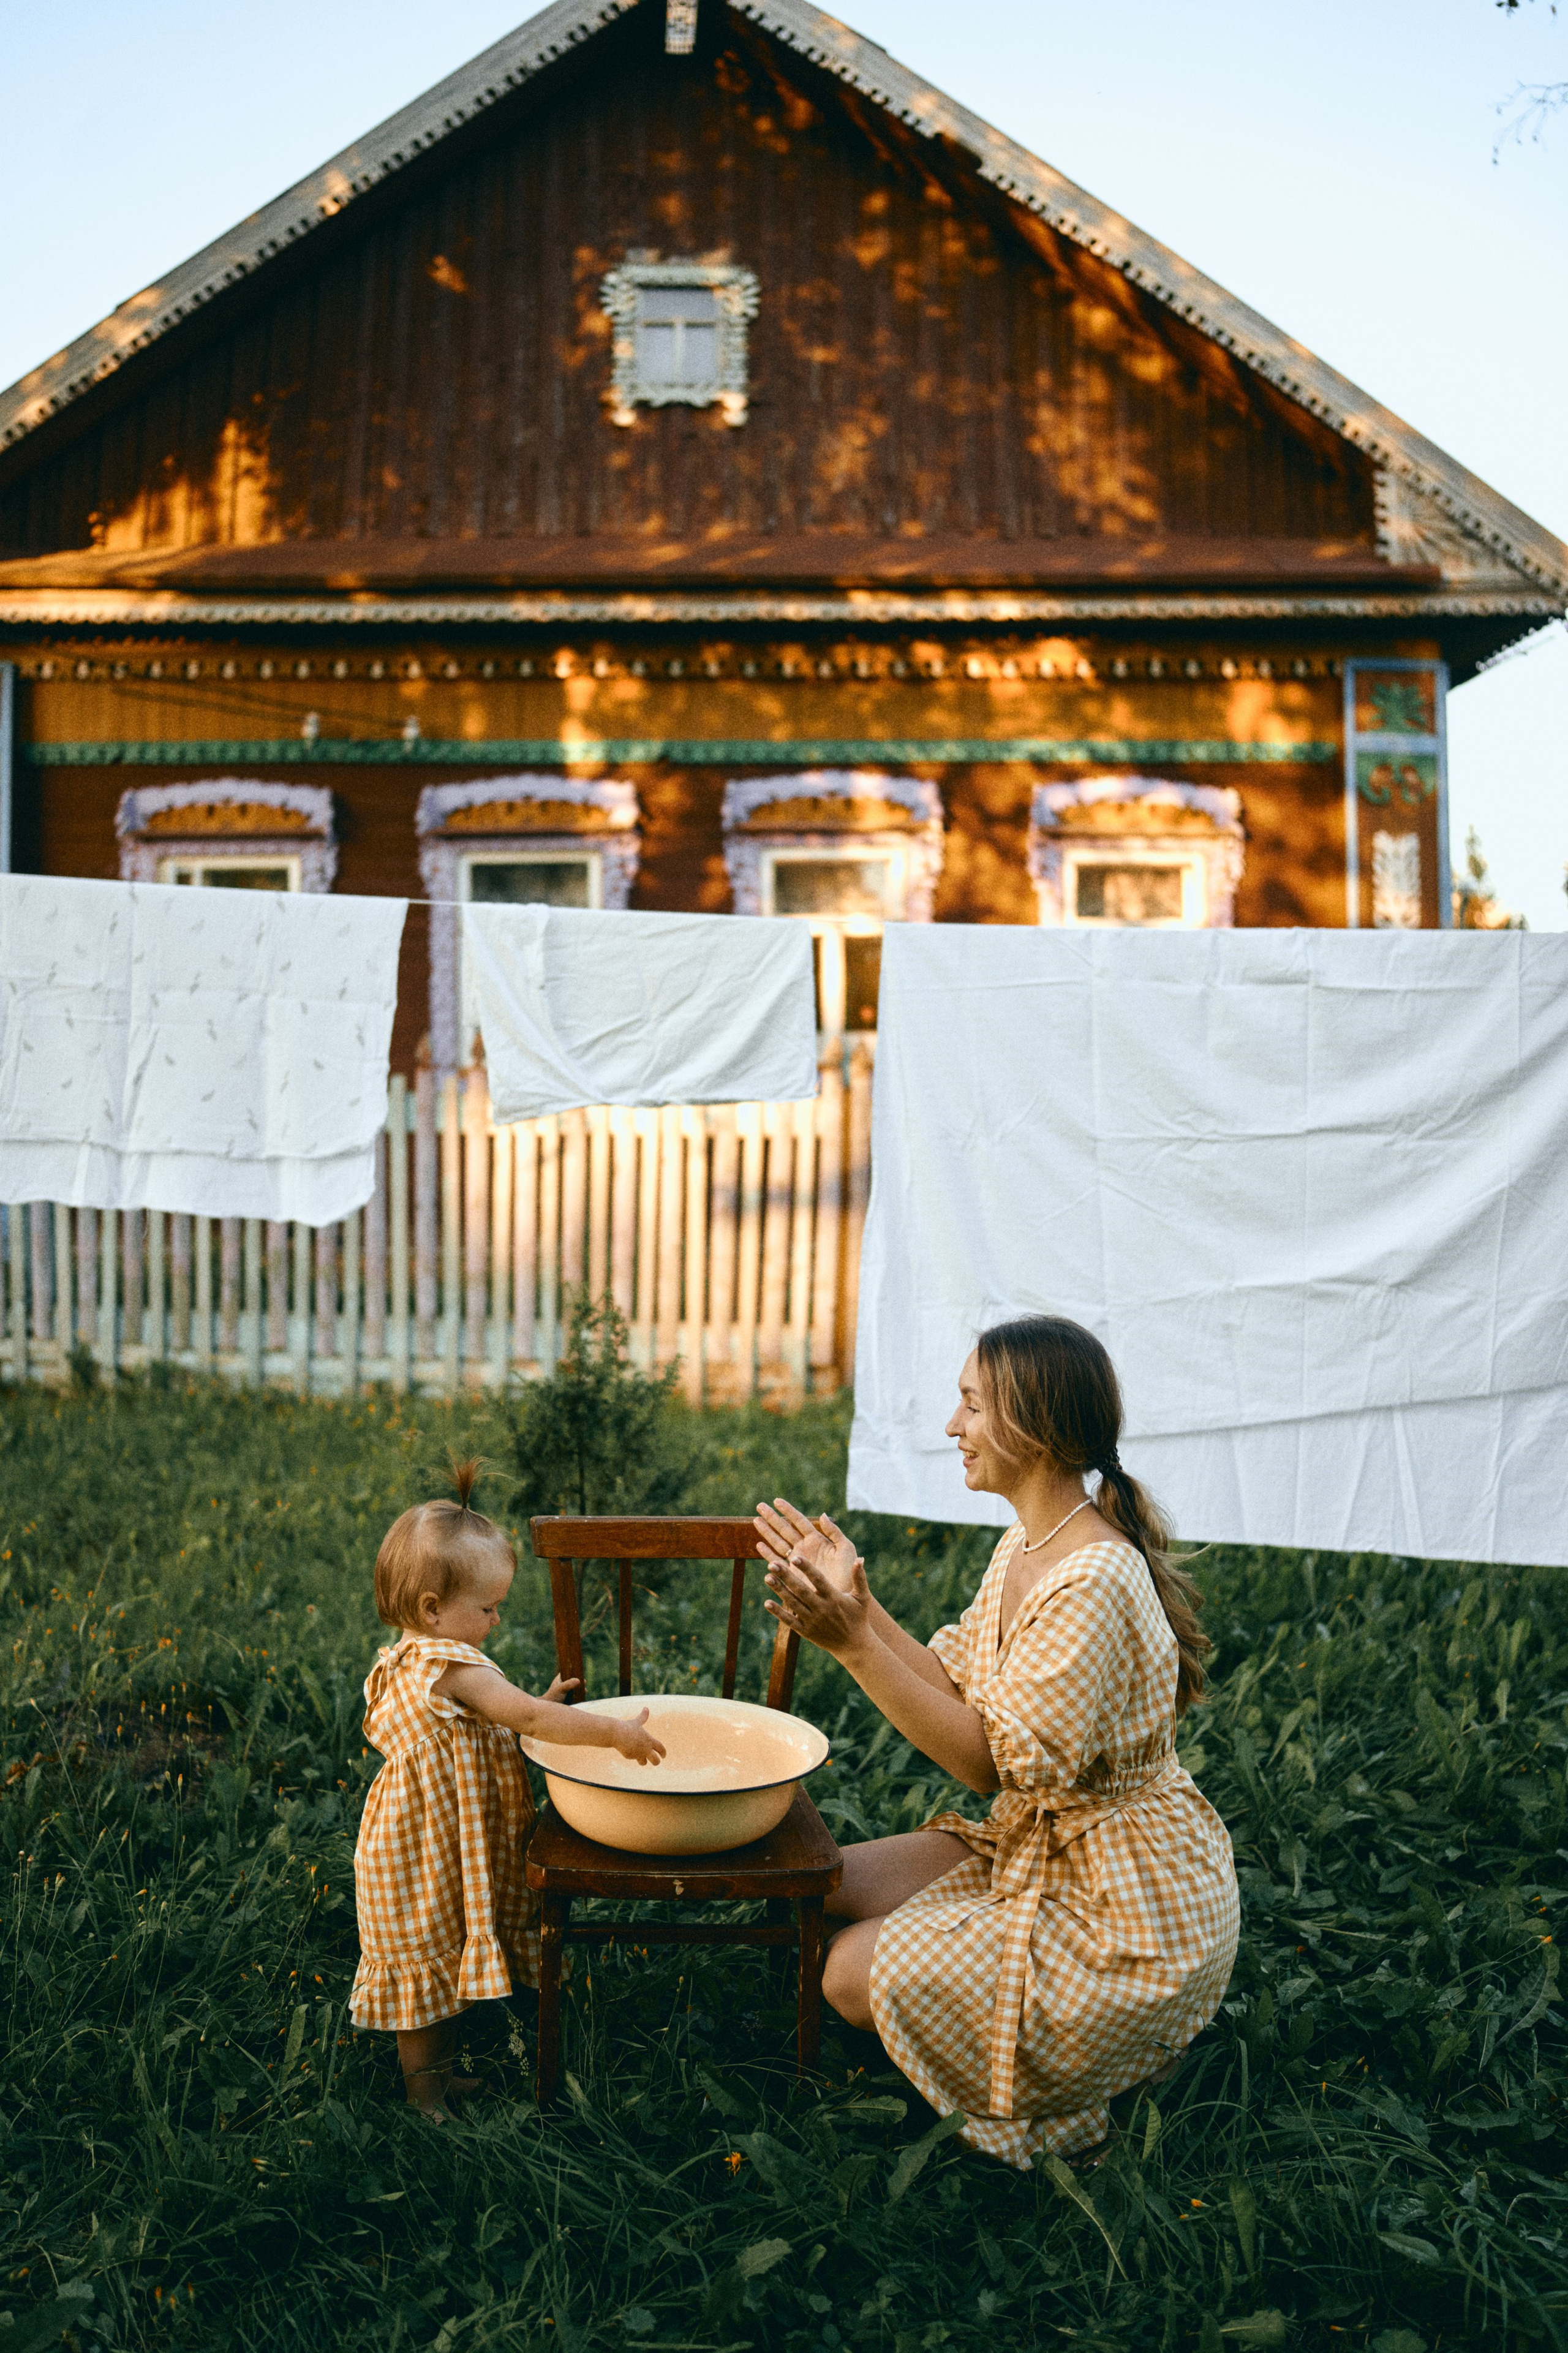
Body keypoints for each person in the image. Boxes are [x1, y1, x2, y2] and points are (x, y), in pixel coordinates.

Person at [753, 1315, 1239, 2168]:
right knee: (820, 1885)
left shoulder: (1092, 1577)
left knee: (844, 1972)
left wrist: (852, 1643)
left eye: (971, 1406)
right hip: (1045, 1845)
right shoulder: (1028, 1542)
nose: (953, 1427)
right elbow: (959, 1690)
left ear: (1033, 1427)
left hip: (1122, 1907)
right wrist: (858, 1610)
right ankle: (999, 2014)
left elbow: (986, 1763)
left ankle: (1129, 2055)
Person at [349, 1459, 664, 2118]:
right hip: (425, 1847)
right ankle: (424, 2096)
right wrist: (612, 1733)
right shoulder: (451, 1662)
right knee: (426, 1971)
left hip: (422, 1835)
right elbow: (521, 1717)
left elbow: (500, 1714)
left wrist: (533, 1700)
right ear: (434, 1610)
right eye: (488, 1607)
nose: (495, 1620)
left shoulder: (406, 1657)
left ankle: (438, 2076)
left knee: (441, 1955)